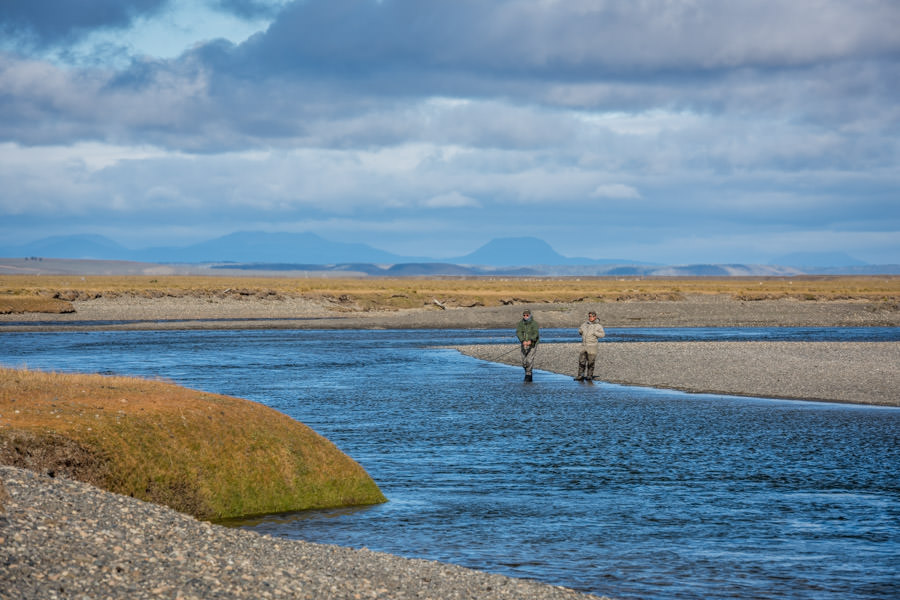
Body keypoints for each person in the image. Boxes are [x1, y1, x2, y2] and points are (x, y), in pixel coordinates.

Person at [575, 311, 605, 382]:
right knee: (581, 361)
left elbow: (603, 335)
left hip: (592, 346)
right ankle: (580, 375)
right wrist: (580, 331)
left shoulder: (598, 326)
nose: (590, 317)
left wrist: (595, 333)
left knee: (591, 362)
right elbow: (580, 331)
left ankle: (589, 376)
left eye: (591, 316)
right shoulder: (584, 324)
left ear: (595, 317)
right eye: (589, 316)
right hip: (584, 345)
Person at [515, 309, 540, 382]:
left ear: (530, 315)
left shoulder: (534, 323)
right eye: (524, 315)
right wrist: (522, 340)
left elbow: (536, 333)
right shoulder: (520, 323)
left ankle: (528, 374)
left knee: (529, 360)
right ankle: (528, 372)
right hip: (524, 343)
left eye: (527, 315)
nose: (525, 316)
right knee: (524, 361)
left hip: (533, 344)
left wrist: (531, 340)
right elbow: (518, 332)